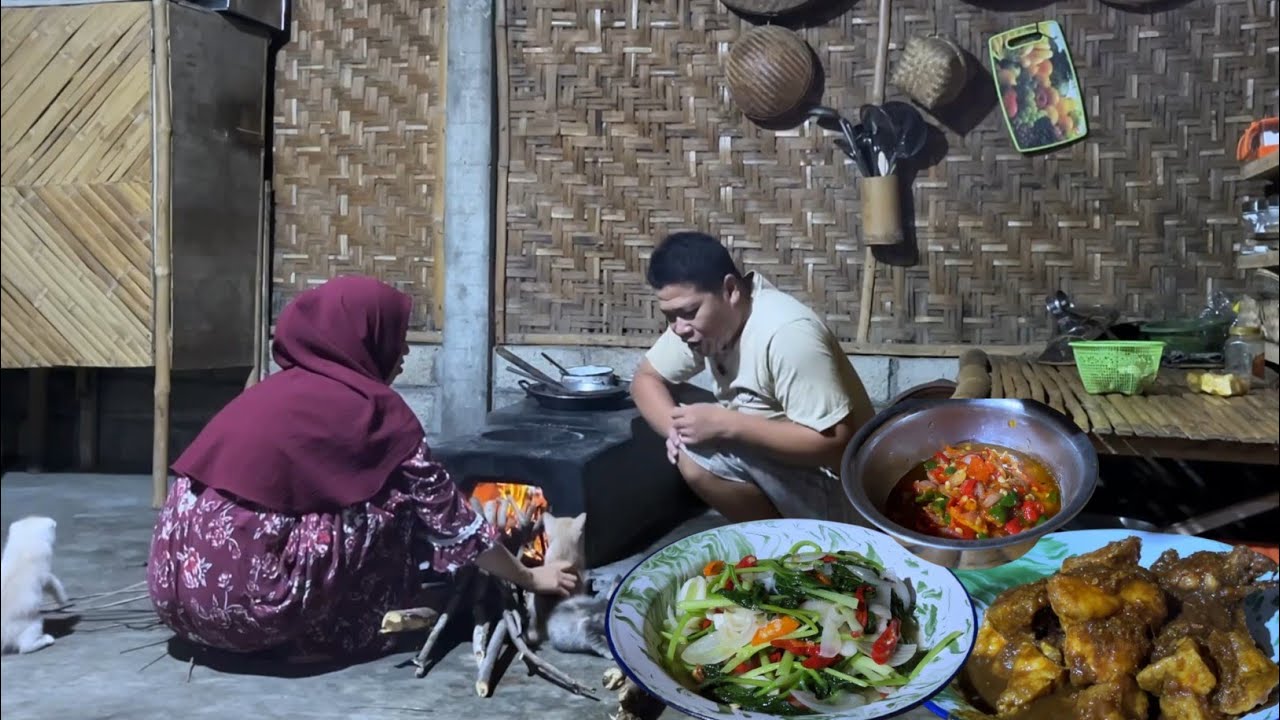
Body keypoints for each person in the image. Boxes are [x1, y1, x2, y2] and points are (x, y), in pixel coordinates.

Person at [147, 276, 576, 662]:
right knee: (397, 502)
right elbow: (454, 526)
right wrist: (529, 576)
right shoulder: (374, 413)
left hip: (175, 603)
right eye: (395, 336)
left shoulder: (266, 394)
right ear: (364, 340)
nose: (404, 350)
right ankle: (343, 627)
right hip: (256, 618)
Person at [630, 232, 876, 524]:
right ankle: (775, 534)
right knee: (686, 422)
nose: (679, 328)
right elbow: (645, 379)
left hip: (851, 492)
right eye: (670, 316)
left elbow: (838, 445)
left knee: (698, 456)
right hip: (783, 462)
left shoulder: (787, 334)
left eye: (689, 312)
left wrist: (727, 425)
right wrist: (676, 429)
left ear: (730, 290)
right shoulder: (698, 325)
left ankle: (791, 541)